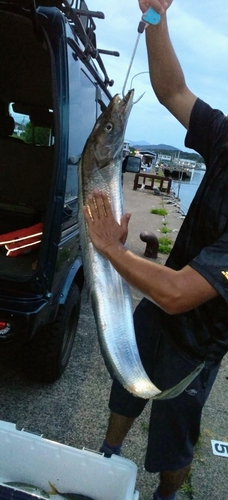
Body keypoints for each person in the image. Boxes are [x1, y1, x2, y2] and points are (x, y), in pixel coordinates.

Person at [83, 1, 228, 499]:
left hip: (196, 345)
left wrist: (111, 249)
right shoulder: (227, 140)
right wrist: (156, 14)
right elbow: (171, 91)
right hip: (155, 317)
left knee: (174, 439)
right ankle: (108, 453)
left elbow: (180, 295)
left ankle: (167, 493)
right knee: (125, 389)